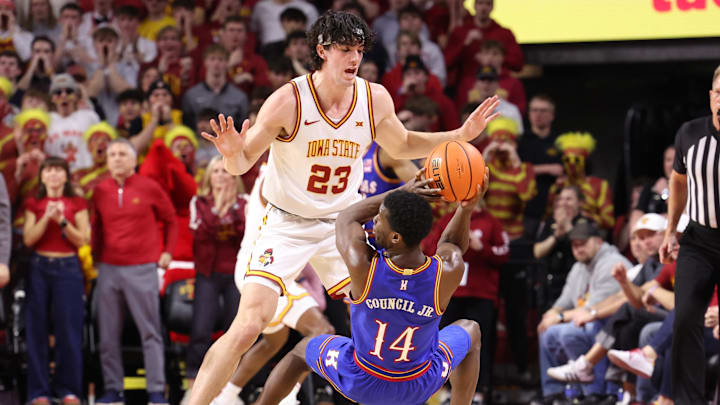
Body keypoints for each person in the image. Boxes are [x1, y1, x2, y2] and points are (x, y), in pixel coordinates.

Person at [187, 10, 500, 404]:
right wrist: (232, 154)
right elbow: (240, 164)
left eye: (359, 49)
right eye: (345, 49)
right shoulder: (288, 100)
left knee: (385, 311)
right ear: (322, 50)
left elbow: (401, 144)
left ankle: (396, 389)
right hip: (287, 223)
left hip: (341, 224)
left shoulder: (374, 97)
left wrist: (459, 135)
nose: (355, 58)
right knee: (249, 325)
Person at [253, 173, 489, 405]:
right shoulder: (444, 273)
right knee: (471, 330)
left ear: (396, 237)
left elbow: (347, 218)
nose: (374, 221)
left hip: (361, 379)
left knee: (300, 353)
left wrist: (403, 190)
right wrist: (466, 208)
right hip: (418, 384)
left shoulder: (363, 267)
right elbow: (452, 244)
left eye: (381, 219)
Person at [93, 139, 177, 405]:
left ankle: (155, 390)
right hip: (108, 268)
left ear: (133, 160)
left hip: (142, 268)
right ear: (107, 161)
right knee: (107, 334)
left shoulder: (149, 187)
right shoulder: (100, 190)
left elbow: (171, 219)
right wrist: (95, 261)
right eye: (112, 155)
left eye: (122, 154)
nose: (116, 159)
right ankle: (113, 389)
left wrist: (168, 252)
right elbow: (96, 228)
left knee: (150, 331)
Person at [659, 64, 720, 404]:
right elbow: (679, 181)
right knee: (684, 322)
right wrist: (670, 231)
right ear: (712, 96)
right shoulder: (690, 133)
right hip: (698, 239)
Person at [534, 219, 631, 405]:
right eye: (574, 245)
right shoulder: (578, 267)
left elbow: (597, 307)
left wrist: (560, 317)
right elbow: (564, 301)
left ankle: (594, 392)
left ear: (598, 242)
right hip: (587, 319)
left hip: (607, 321)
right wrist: (551, 314)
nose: (578, 249)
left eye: (583, 243)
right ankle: (554, 393)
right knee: (546, 329)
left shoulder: (612, 262)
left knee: (570, 331)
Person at [22, 156, 89, 405]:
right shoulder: (34, 202)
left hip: (68, 267)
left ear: (66, 176)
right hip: (40, 267)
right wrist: (45, 218)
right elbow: (29, 239)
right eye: (49, 170)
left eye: (58, 171)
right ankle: (38, 392)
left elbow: (82, 239)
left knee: (69, 330)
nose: (53, 175)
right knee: (36, 329)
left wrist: (62, 221)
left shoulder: (77, 202)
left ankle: (69, 390)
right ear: (42, 176)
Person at [184, 156, 247, 396]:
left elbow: (244, 234)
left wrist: (226, 210)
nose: (221, 176)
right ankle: (193, 385)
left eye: (226, 171)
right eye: (216, 171)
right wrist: (218, 208)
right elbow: (201, 234)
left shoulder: (245, 202)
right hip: (207, 274)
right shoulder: (198, 202)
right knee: (201, 328)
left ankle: (234, 389)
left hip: (235, 274)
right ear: (209, 176)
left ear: (235, 176)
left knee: (236, 331)